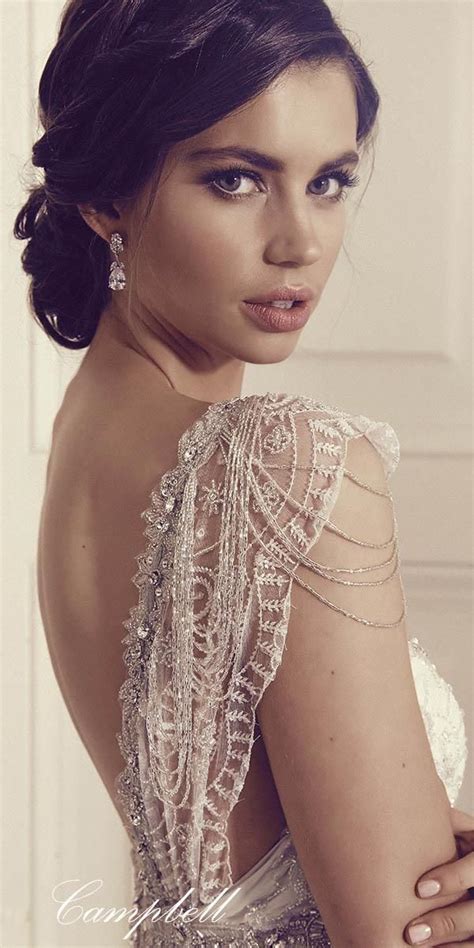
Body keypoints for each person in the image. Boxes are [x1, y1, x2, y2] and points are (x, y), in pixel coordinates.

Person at [13, 1, 472, 946]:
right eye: (235, 179)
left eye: (331, 180)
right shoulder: (284, 462)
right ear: (105, 193)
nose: (300, 241)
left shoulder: (87, 435)